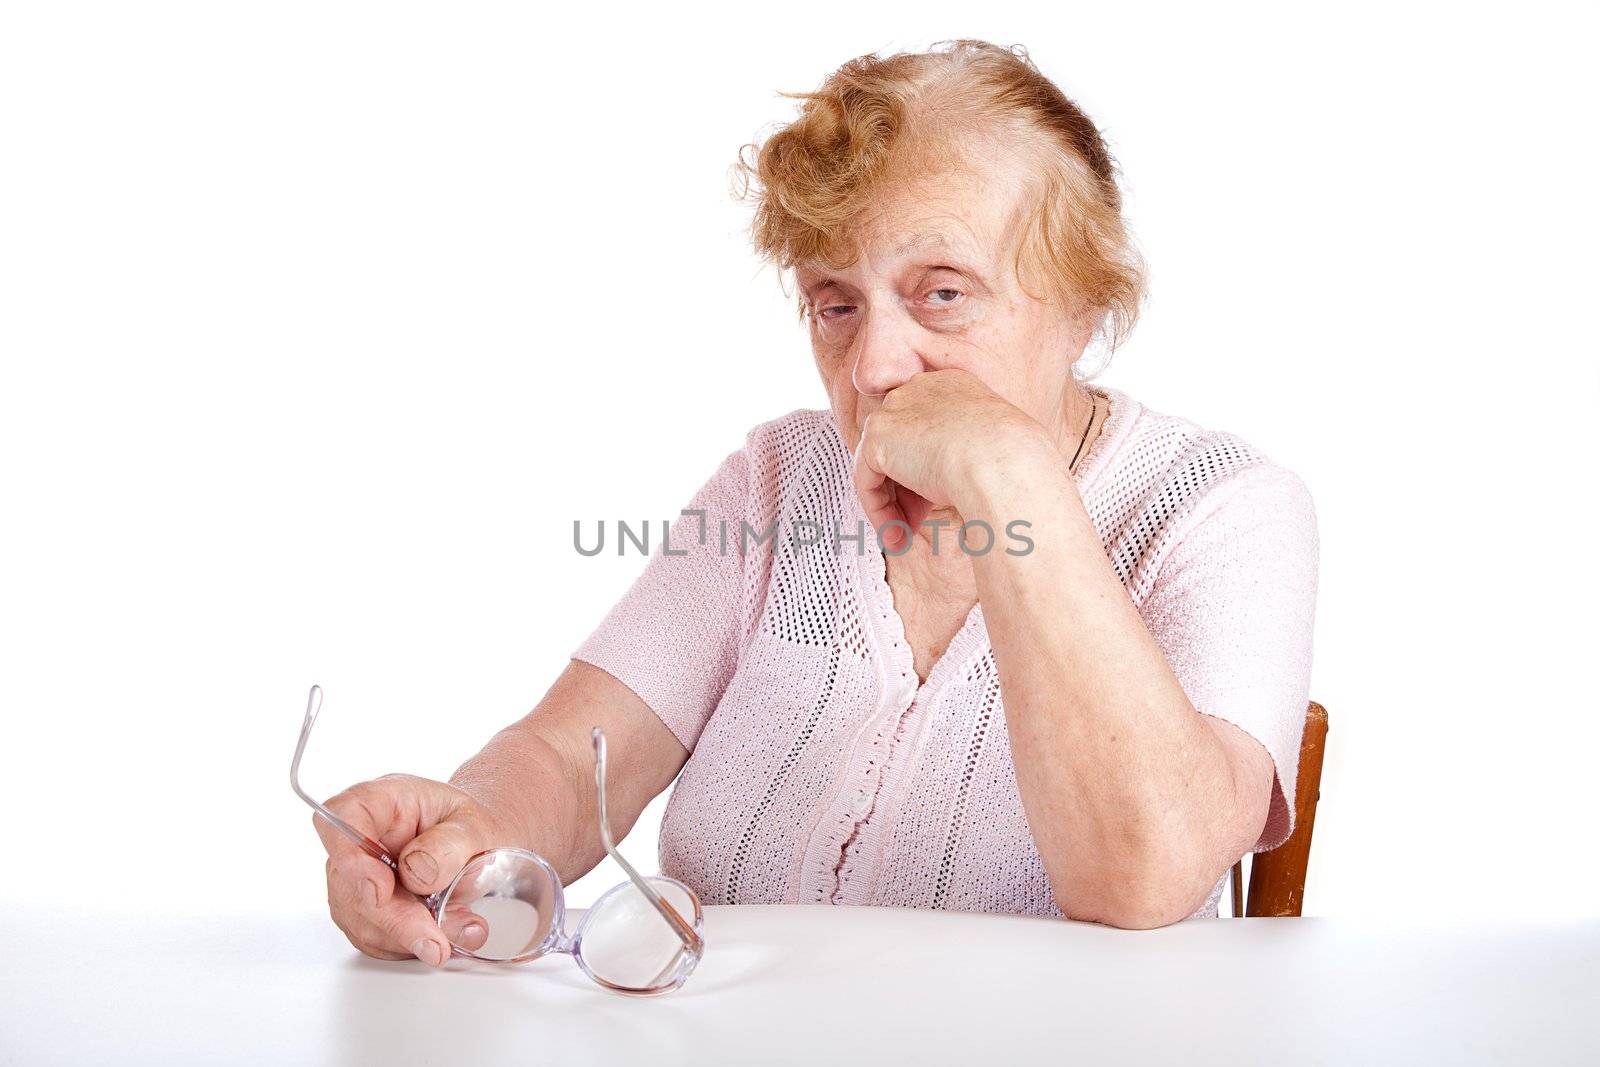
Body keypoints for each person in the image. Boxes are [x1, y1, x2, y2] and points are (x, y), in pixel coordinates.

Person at [311, 38, 1318, 967]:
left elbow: (1143, 874)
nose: (875, 365)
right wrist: (469, 833)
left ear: (1087, 301)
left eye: (942, 293)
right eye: (835, 304)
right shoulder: (778, 479)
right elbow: (571, 759)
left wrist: (1009, 476)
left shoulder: (1225, 511)